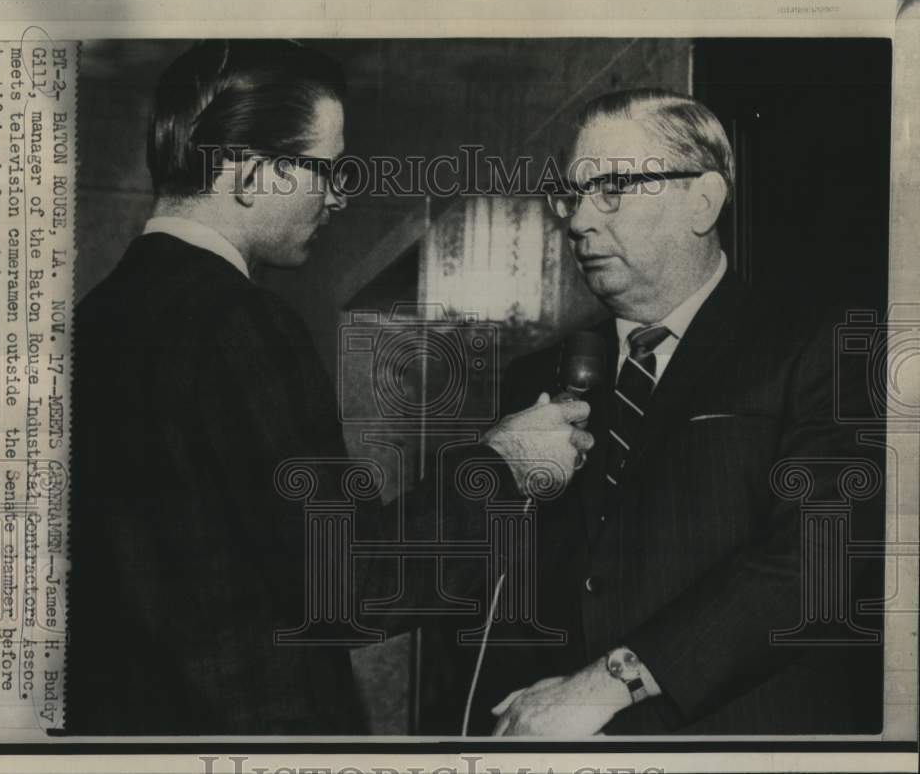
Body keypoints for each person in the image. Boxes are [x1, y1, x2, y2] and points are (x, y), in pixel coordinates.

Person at [66, 39, 592, 735]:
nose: (340, 196)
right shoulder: (241, 321)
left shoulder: (91, 322)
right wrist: (501, 467)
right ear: (252, 173)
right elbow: (348, 585)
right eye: (329, 169)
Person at [470, 89, 884, 735]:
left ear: (703, 201)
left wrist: (604, 686)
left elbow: (815, 562)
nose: (579, 221)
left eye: (612, 189)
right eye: (572, 194)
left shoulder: (821, 345)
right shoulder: (537, 377)